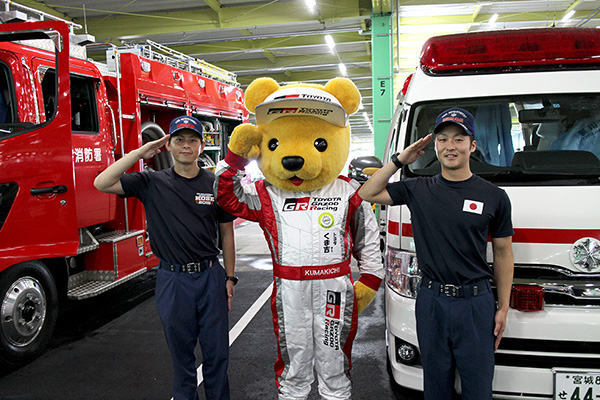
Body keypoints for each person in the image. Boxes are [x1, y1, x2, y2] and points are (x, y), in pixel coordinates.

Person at [359, 107, 514, 400]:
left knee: (478, 388)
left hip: (476, 302)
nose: (450, 146)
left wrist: (502, 307)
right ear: (435, 145)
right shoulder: (418, 189)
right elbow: (367, 193)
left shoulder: (494, 196)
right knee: (435, 386)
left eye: (458, 139)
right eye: (442, 139)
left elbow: (503, 253)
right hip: (432, 302)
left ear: (473, 146)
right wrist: (399, 160)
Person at [94, 115, 237, 400]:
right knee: (181, 356)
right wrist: (139, 153)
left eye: (192, 140)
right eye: (179, 140)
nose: (186, 145)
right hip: (173, 280)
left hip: (211, 277)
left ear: (201, 145)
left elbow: (227, 234)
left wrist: (230, 277)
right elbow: (102, 182)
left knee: (217, 354)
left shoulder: (214, 184)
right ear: (168, 145)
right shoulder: (151, 182)